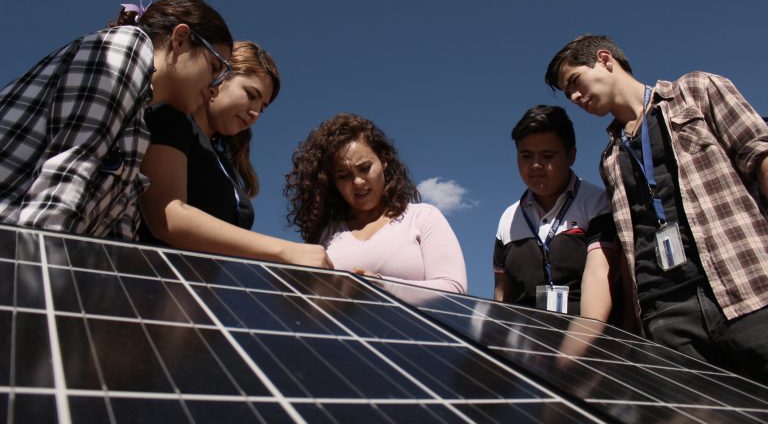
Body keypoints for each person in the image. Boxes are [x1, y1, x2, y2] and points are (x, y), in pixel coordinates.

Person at [545, 34, 768, 383]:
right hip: (665, 314)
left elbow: (760, 156)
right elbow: (628, 244)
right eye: (567, 92)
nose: (574, 97)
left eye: (575, 81)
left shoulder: (696, 90)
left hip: (747, 286)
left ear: (605, 59)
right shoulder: (610, 158)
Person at [0, 0, 233, 240]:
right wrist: (44, 258)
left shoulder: (138, 131)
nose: (215, 89)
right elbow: (64, 179)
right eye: (215, 68)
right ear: (181, 39)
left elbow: (117, 233)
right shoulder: (127, 47)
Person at [139, 41, 332, 269]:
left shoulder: (225, 165)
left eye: (262, 107)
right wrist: (285, 250)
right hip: (155, 280)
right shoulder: (171, 119)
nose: (255, 113)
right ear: (220, 76)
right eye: (251, 95)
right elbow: (167, 216)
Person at [285, 113, 467, 293]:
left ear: (383, 161)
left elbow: (453, 289)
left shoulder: (422, 217)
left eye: (364, 168)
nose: (358, 182)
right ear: (333, 182)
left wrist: (379, 285)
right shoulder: (326, 235)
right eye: (344, 176)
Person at [493, 105, 619, 321]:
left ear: (571, 156)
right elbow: (502, 297)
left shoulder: (597, 204)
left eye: (547, 156)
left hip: (588, 337)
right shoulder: (508, 219)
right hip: (524, 338)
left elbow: (603, 279)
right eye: (526, 156)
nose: (535, 165)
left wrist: (576, 341)